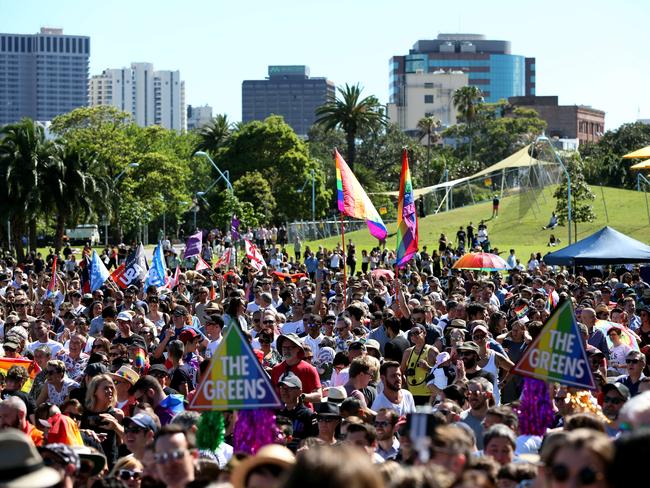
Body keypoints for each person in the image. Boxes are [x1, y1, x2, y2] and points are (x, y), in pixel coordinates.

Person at [271, 334, 322, 409]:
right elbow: (273, 394)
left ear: (298, 348)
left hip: (303, 415)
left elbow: (319, 396)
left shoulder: (309, 369)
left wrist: (300, 396)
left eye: (290, 348)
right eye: (284, 347)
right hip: (282, 415)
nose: (286, 350)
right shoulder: (276, 369)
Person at [401, 324, 438, 405]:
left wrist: (428, 368)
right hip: (411, 395)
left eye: (417, 333)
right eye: (411, 334)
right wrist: (405, 386)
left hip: (428, 395)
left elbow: (440, 372)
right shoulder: (407, 352)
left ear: (424, 333)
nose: (414, 335)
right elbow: (401, 371)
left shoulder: (432, 351)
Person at [459, 377, 493, 450]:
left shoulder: (498, 420)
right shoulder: (460, 419)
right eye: (469, 393)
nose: (471, 397)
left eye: (476, 393)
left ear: (488, 395)